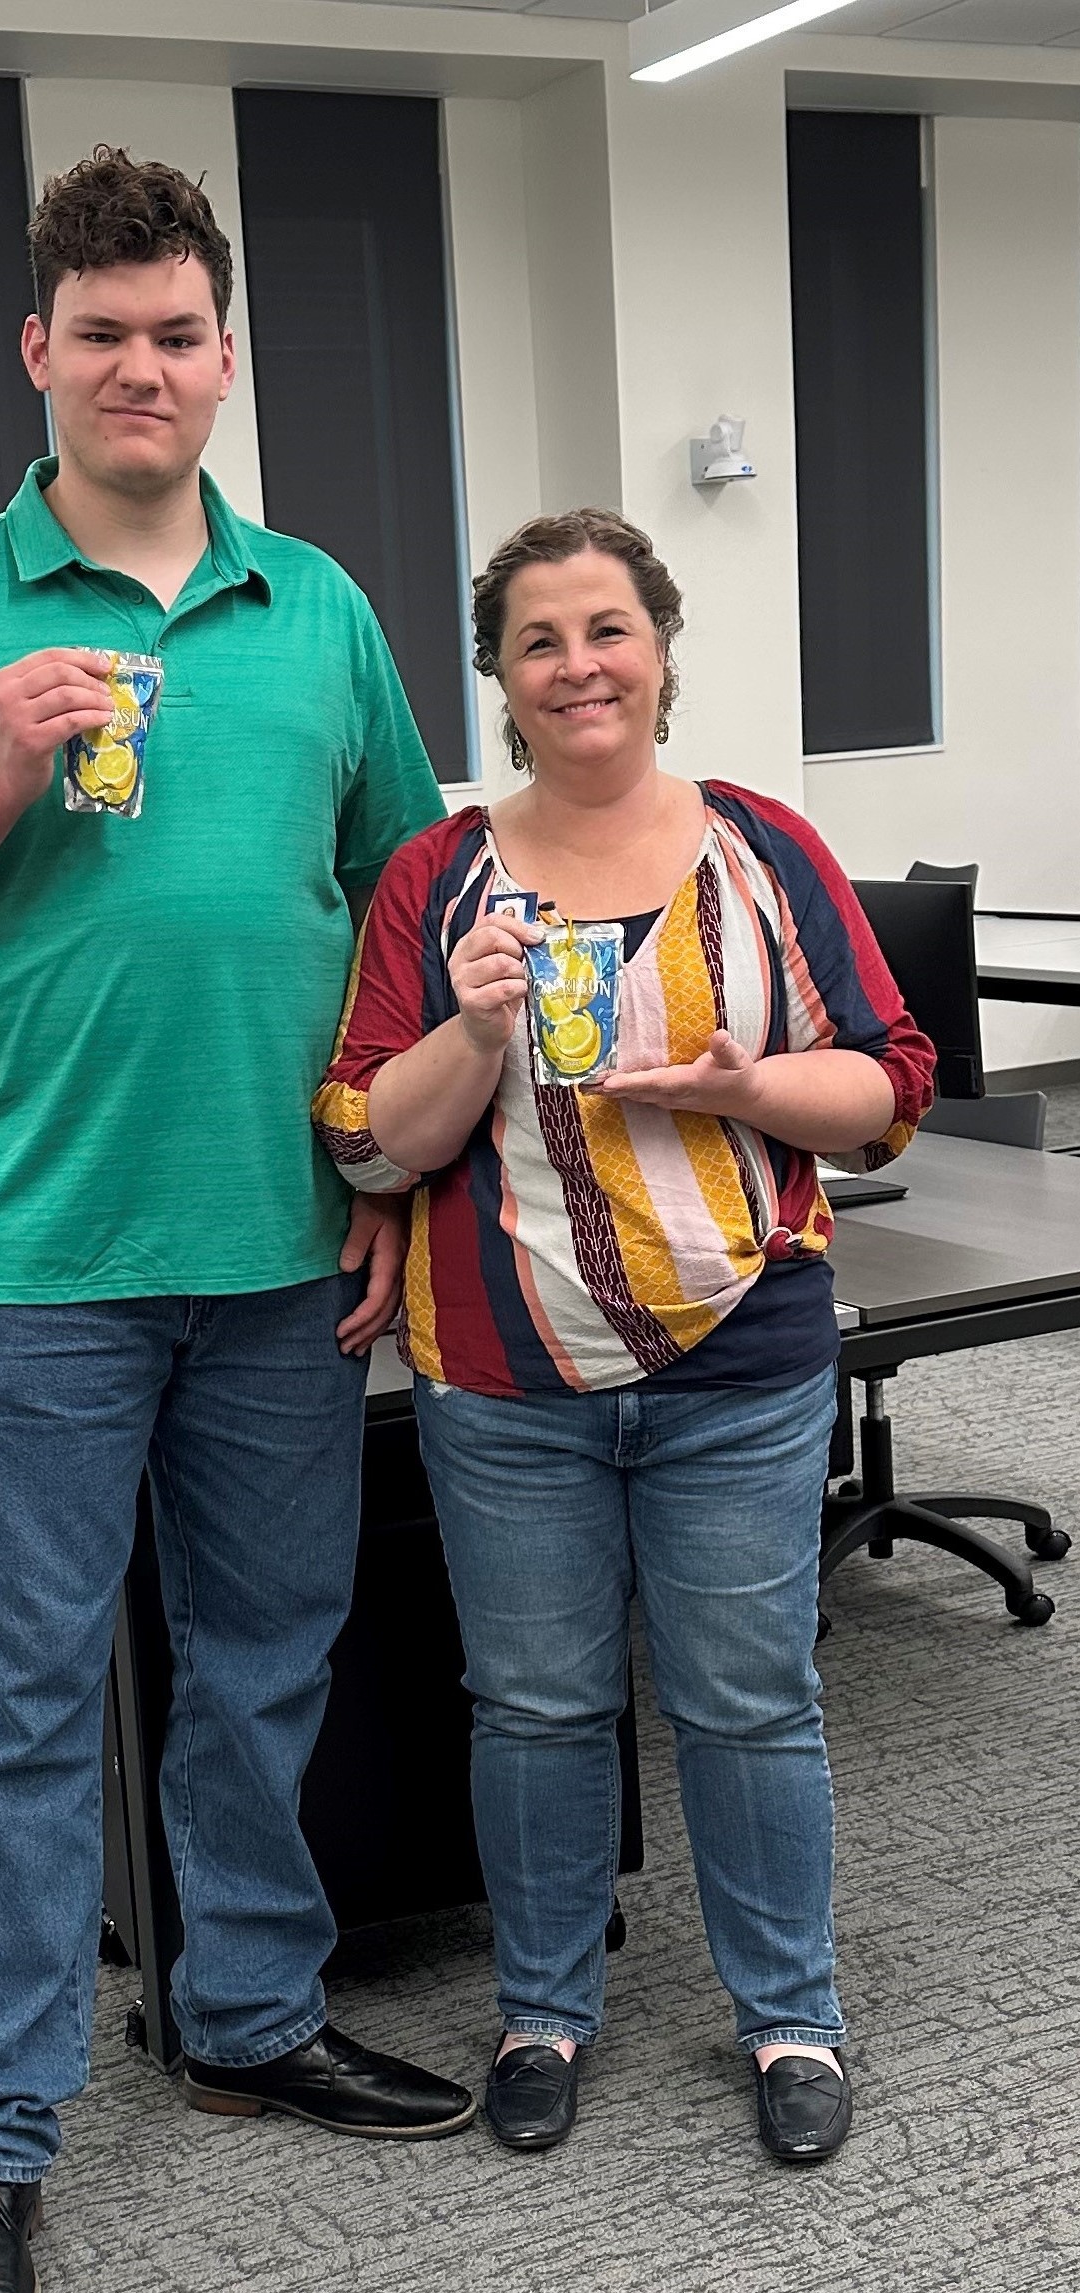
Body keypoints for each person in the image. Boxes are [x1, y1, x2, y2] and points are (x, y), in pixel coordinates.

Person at [0, 147, 475, 2293]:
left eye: (180, 333)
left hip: (283, 1245)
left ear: (223, 354)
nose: (143, 368)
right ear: (41, 354)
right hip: (48, 1253)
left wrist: (390, 1176)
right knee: (20, 1709)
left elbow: (407, 914)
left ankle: (248, 2013)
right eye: (104, 334)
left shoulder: (323, 609)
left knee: (271, 1654)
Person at [313, 508, 935, 2165]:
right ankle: (541, 2005)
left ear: (659, 651)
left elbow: (886, 1093)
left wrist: (745, 1086)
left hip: (738, 1358)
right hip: (507, 1374)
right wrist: (469, 1019)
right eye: (537, 640)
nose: (576, 664)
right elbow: (373, 1141)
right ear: (498, 682)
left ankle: (788, 2013)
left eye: (606, 629)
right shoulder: (437, 879)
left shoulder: (763, 850)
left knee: (748, 1699)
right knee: (531, 1701)